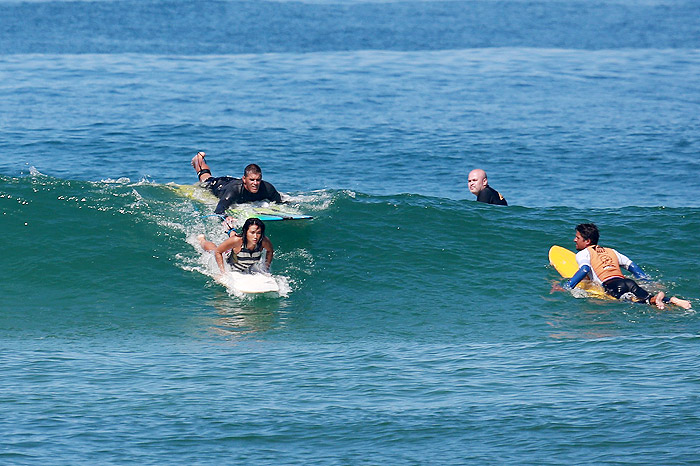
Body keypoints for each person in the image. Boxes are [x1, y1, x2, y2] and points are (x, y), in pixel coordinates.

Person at [566, 223, 691, 310]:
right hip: (626, 281)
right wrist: (647, 281)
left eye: (577, 237)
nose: (574, 240)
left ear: (587, 241)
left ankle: (658, 300)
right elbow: (632, 266)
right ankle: (673, 300)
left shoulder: (583, 254)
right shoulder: (611, 251)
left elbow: (584, 269)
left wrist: (567, 286)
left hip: (612, 285)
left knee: (637, 301)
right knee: (646, 296)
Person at [191, 151, 282, 220]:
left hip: (232, 182)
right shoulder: (234, 191)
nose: (255, 183)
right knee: (205, 178)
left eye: (258, 180)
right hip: (219, 185)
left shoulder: (268, 188)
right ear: (244, 179)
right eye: (251, 180)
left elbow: (280, 203)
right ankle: (198, 161)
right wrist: (227, 218)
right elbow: (219, 210)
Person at [197, 217, 274, 275]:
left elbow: (270, 251)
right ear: (245, 232)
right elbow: (218, 252)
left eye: (258, 233)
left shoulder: (263, 241)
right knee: (214, 249)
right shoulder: (237, 241)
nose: (255, 236)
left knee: (234, 237)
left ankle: (230, 228)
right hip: (230, 258)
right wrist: (223, 272)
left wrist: (266, 268)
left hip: (242, 255)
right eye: (252, 232)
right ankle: (202, 240)